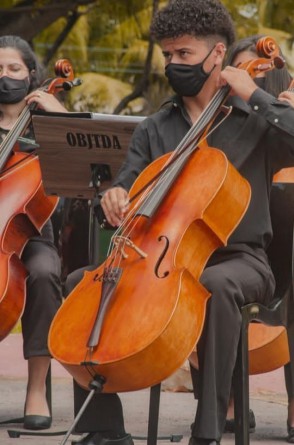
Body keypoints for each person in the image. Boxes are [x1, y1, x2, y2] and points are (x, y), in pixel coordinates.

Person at [65, 1, 294, 445]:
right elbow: (126, 188)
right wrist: (113, 197)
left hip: (241, 259)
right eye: (168, 55)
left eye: (184, 55)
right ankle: (104, 429)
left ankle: (207, 431)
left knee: (215, 283)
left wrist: (255, 93)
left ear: (217, 55)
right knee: (80, 282)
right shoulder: (156, 127)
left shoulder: (254, 121)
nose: (173, 64)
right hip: (161, 256)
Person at [212, 34, 294, 441]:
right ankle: (224, 400)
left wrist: (269, 105)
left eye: (255, 71)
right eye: (239, 70)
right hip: (241, 253)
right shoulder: (224, 129)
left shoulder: (281, 123)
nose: (244, 79)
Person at [0, 35, 65, 430]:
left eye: (13, 69)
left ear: (30, 75)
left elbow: (83, 160)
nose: (4, 76)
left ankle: (37, 388)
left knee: (43, 274)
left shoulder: (47, 122)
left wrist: (58, 113)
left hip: (33, 230)